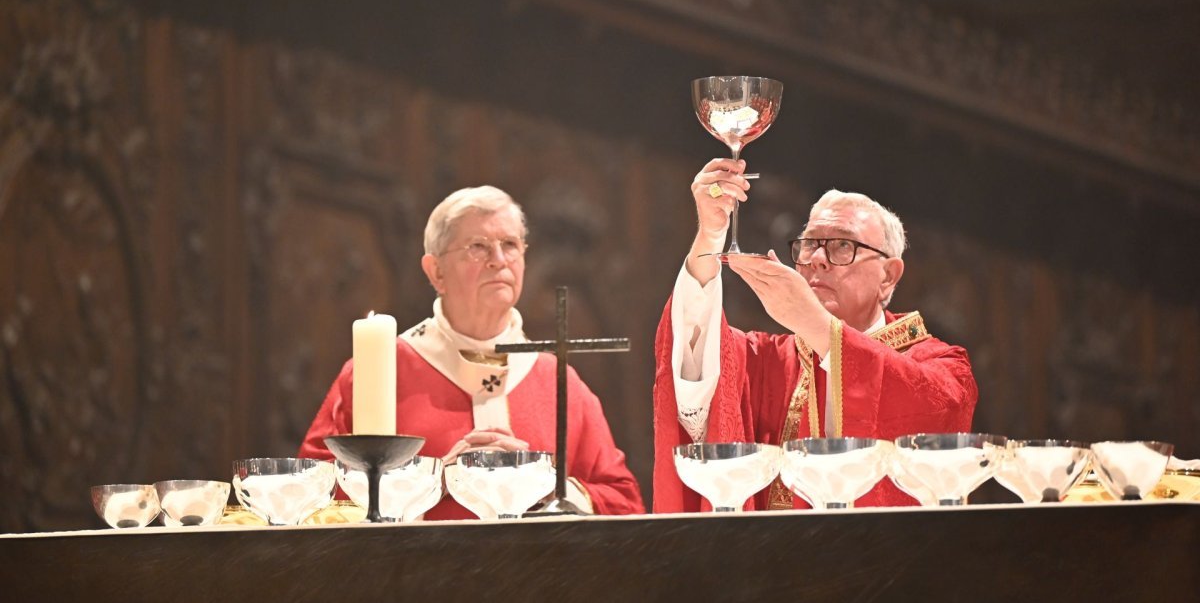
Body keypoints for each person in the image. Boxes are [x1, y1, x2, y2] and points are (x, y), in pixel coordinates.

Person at [652, 158, 978, 511]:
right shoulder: (771, 362)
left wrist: (815, 325)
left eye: (843, 246)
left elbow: (940, 411)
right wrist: (711, 235)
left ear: (888, 276)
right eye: (810, 244)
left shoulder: (941, 364)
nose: (819, 259)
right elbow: (695, 353)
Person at [300, 185, 644, 519]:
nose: (499, 260)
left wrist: (549, 489)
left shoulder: (556, 379)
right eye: (478, 247)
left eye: (510, 244)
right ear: (436, 272)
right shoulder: (380, 369)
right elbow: (310, 498)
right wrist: (434, 483)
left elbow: (623, 501)